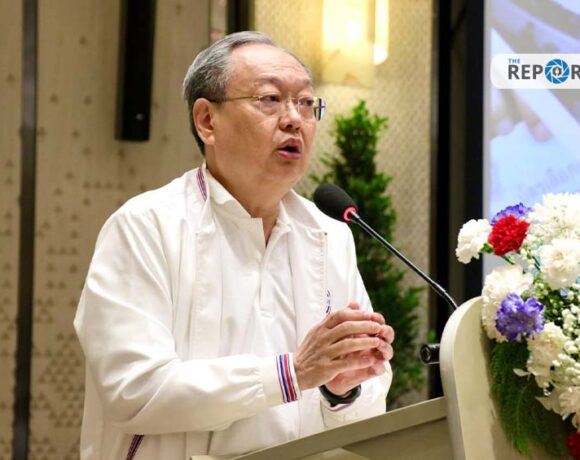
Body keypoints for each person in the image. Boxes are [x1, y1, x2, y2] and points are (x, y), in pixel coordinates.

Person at [74, 31, 394, 460]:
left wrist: (342, 389)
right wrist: (291, 374)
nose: (294, 119)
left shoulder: (329, 234)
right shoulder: (146, 226)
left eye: (306, 103)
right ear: (207, 121)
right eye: (270, 99)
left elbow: (367, 403)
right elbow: (134, 389)